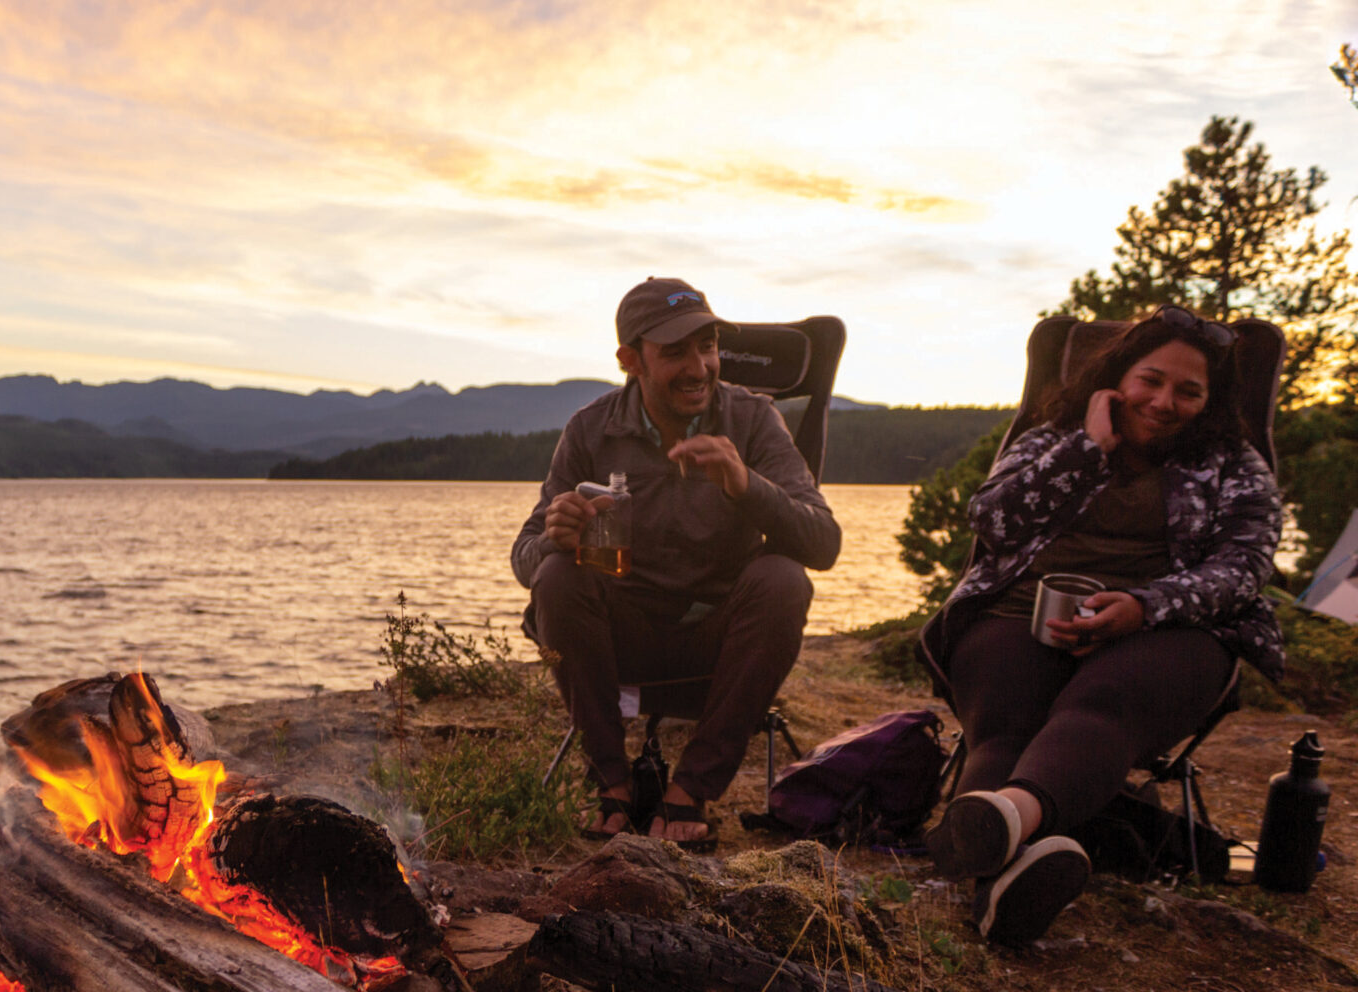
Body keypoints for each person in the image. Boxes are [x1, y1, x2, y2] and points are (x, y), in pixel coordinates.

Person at [919, 304, 1283, 945]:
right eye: (1152, 379)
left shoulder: (1233, 464)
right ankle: (1001, 887)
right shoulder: (1054, 437)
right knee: (1003, 725)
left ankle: (1004, 818)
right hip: (1020, 611)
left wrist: (1145, 605)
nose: (1165, 401)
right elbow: (993, 524)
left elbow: (1245, 567)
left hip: (1171, 629)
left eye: (1188, 391)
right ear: (1119, 375)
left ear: (1212, 400)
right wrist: (1088, 450)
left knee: (1100, 705)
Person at [511, 277, 841, 846]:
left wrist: (747, 484)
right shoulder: (591, 429)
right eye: (675, 352)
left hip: (718, 641)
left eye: (707, 346)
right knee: (558, 576)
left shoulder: (754, 420)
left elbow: (824, 543)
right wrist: (555, 540)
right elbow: (525, 557)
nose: (699, 366)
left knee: (783, 579)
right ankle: (611, 783)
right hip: (621, 637)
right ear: (630, 360)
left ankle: (690, 791)